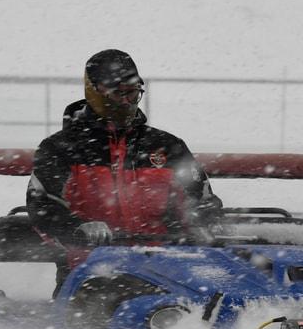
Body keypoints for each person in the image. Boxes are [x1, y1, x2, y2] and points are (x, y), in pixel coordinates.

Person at [27, 49, 221, 287]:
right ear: (96, 92)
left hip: (166, 273)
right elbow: (43, 208)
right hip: (89, 275)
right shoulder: (60, 149)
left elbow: (201, 199)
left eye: (133, 94)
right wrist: (77, 229)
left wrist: (199, 224)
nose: (127, 102)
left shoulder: (167, 147)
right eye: (119, 94)